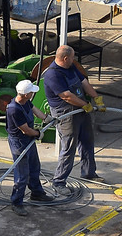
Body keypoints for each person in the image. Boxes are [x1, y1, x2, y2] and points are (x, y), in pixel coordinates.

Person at [43, 45, 105, 195]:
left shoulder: (71, 67)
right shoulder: (52, 74)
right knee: (69, 147)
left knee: (87, 140)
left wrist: (97, 98)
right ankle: (59, 182)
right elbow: (66, 96)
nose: (73, 60)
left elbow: (84, 83)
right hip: (66, 113)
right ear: (65, 58)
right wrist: (86, 105)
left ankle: (89, 173)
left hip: (80, 108)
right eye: (72, 57)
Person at [6, 80, 55, 216]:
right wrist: (39, 134)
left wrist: (47, 118)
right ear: (26, 94)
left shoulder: (25, 101)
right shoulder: (14, 109)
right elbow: (25, 130)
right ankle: (16, 202)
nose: (33, 93)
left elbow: (34, 109)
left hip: (28, 140)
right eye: (32, 92)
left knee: (34, 167)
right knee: (22, 174)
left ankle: (37, 193)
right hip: (19, 142)